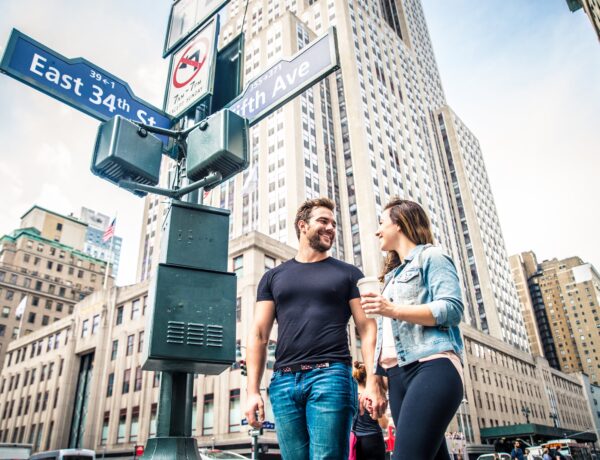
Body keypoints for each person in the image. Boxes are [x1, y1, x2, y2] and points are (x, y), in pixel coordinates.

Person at [245, 197, 387, 459]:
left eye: (333, 223)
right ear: (302, 225)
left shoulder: (349, 274)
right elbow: (259, 335)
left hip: (331, 376)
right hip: (283, 382)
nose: (331, 227)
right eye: (323, 221)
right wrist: (253, 391)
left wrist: (372, 383)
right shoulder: (273, 277)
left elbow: (368, 330)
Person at [360, 198, 464, 460]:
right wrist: (377, 381)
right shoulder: (392, 277)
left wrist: (391, 309)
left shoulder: (432, 257)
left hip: (431, 367)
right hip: (398, 377)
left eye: (382, 223)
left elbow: (452, 309)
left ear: (399, 223)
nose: (377, 231)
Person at [351, 361, 387, 460]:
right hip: (373, 440)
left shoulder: (351, 396)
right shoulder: (372, 397)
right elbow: (384, 424)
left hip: (354, 440)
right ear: (368, 378)